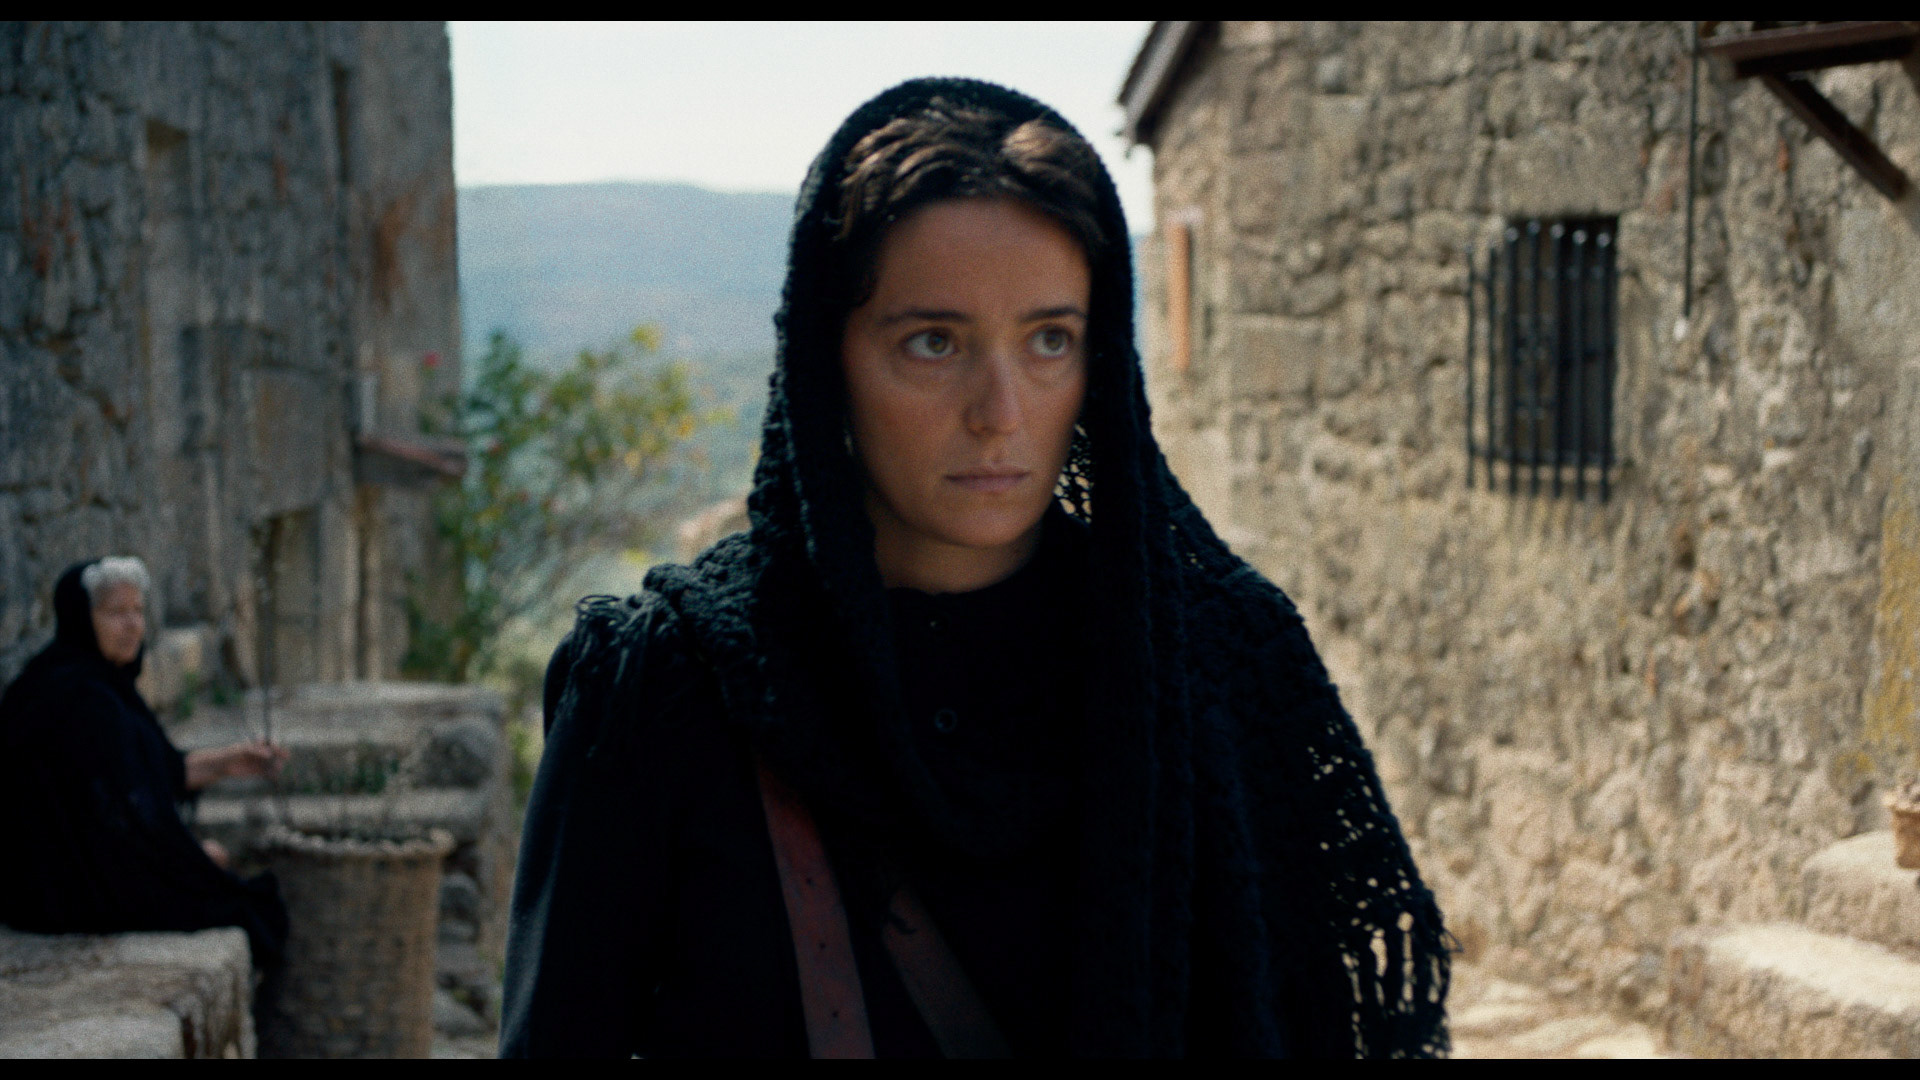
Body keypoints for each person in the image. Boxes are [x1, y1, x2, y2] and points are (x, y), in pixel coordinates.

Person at [502, 78, 1451, 1058]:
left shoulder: (1221, 663)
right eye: (933, 342)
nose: (1001, 410)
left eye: (1050, 340)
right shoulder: (668, 689)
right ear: (827, 359)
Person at [0, 557, 290, 968]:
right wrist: (190, 860)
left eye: (138, 610)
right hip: (63, 890)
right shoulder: (77, 697)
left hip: (71, 876)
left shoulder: (100, 681)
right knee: (247, 905)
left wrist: (229, 761)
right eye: (116, 612)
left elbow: (153, 772)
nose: (133, 625)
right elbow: (115, 820)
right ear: (81, 617)